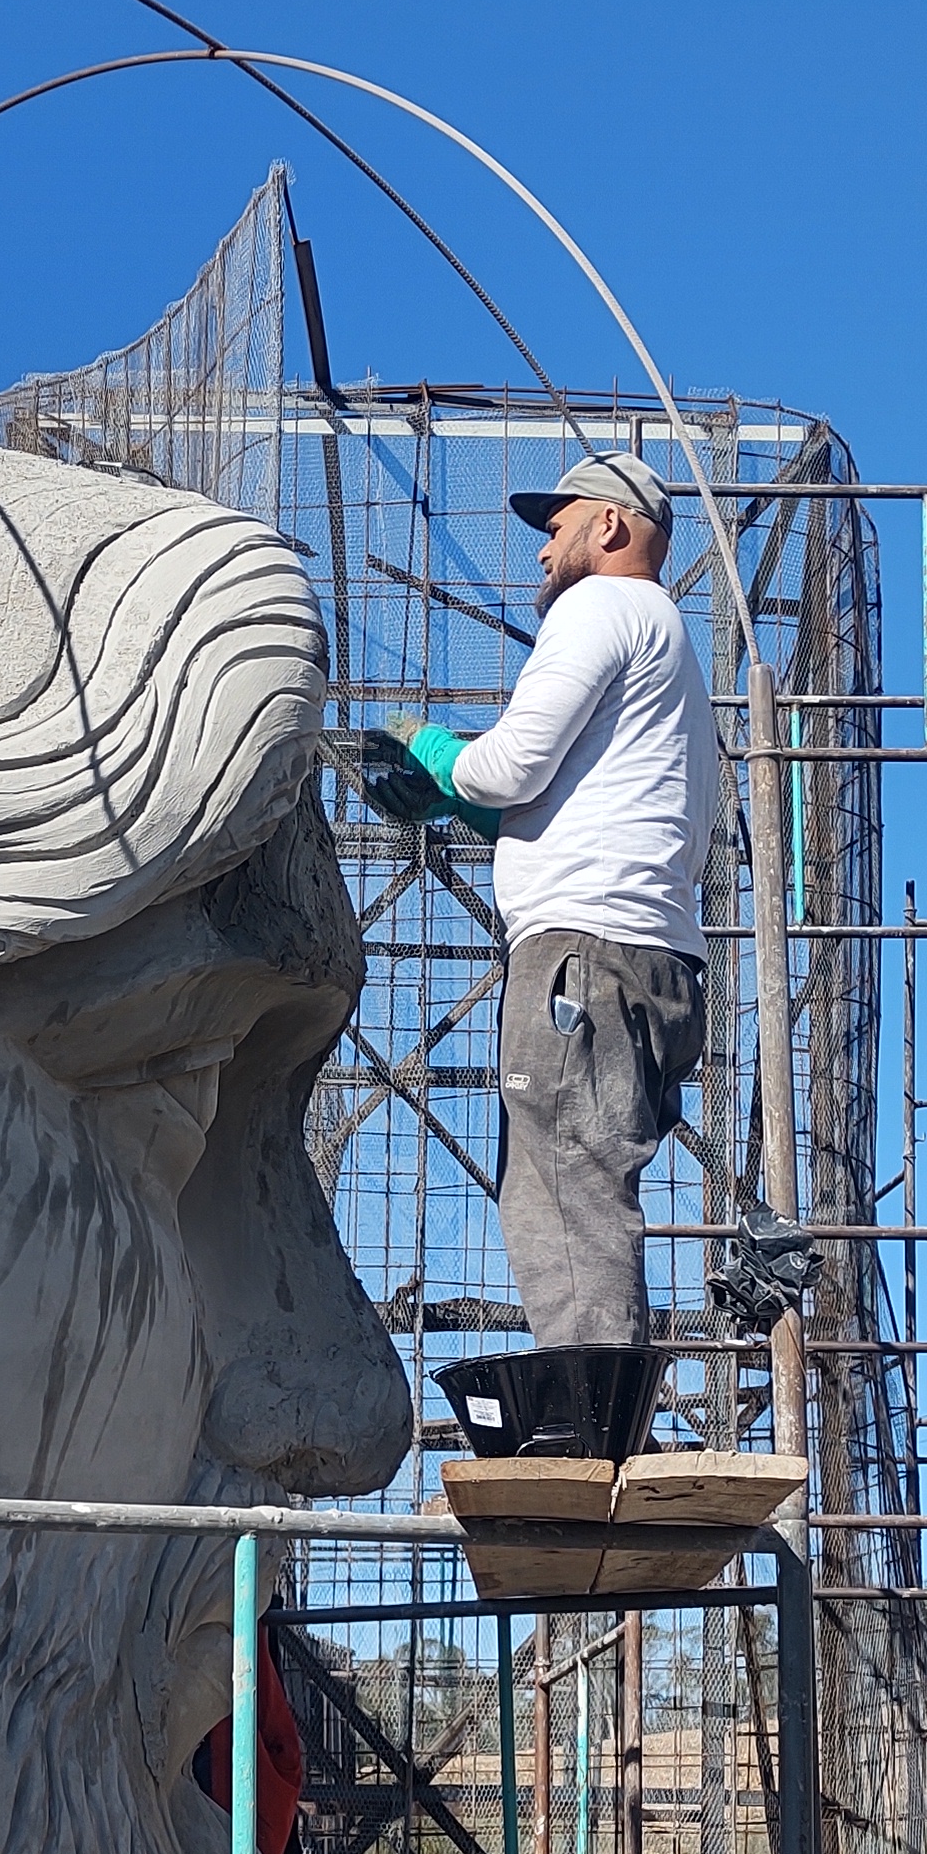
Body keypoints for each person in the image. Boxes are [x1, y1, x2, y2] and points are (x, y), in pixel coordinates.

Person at [356, 451, 717, 1352]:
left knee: (563, 1189)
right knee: (589, 1188)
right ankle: (603, 1414)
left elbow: (514, 763)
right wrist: (468, 803)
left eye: (557, 525)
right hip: (652, 964)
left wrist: (437, 752)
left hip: (581, 962)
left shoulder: (601, 605)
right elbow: (577, 808)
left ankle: (591, 1437)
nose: (542, 548)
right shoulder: (673, 655)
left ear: (611, 527)